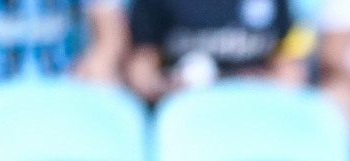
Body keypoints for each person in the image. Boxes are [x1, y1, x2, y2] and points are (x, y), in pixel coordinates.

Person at [125, 0, 308, 102]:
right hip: (186, 108)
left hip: (255, 107)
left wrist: (263, 83)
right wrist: (164, 87)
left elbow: (290, 67)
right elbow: (141, 68)